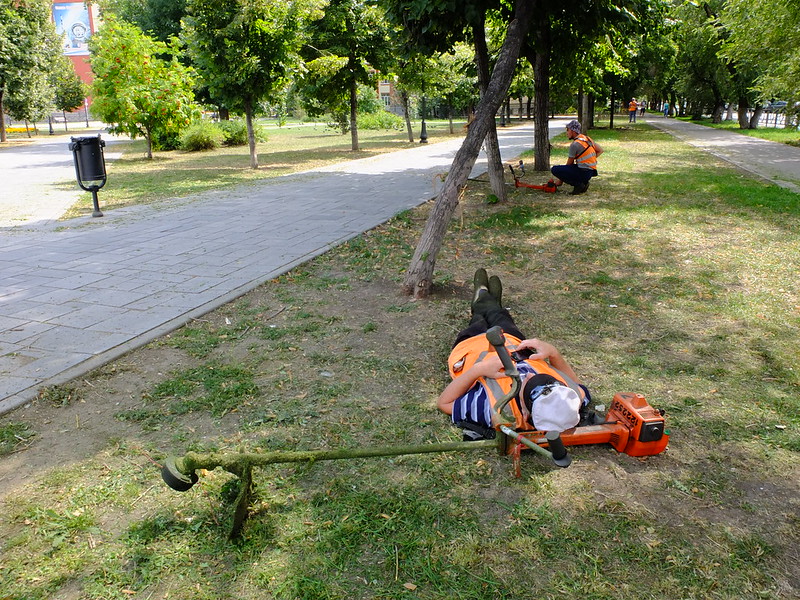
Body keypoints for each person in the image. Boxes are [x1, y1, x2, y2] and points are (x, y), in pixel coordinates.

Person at [437, 269, 591, 440]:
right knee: (501, 317)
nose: (530, 375)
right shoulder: (570, 401)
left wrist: (479, 369)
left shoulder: (493, 410)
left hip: (471, 346)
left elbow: (444, 403)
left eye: (528, 385)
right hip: (512, 341)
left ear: (525, 414)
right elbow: (578, 385)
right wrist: (553, 353)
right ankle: (489, 302)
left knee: (478, 320)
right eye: (548, 380)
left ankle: (483, 298)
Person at [549, 119, 604, 196]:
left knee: (555, 169)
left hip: (583, 172)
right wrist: (590, 161)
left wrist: (560, 180)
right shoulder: (587, 138)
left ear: (573, 131)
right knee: (572, 169)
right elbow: (600, 150)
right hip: (591, 172)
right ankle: (584, 183)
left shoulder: (575, 144)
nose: (566, 133)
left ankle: (578, 185)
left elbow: (569, 163)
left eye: (568, 130)